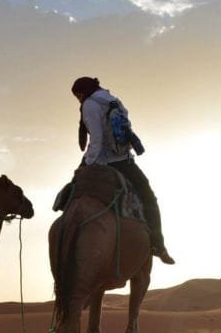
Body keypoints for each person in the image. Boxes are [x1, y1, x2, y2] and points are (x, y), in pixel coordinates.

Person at [71, 76, 175, 264]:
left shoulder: (90, 105)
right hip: (125, 161)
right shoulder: (112, 99)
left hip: (103, 161)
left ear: (80, 93)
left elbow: (96, 140)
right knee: (148, 197)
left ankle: (67, 234)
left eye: (77, 97)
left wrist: (85, 166)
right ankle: (158, 245)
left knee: (70, 195)